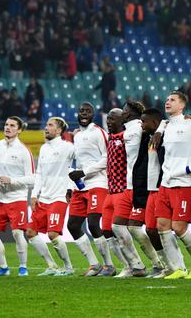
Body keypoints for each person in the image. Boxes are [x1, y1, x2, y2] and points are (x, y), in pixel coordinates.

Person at [156, 91, 191, 280]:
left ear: (182, 105)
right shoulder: (165, 126)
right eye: (167, 99)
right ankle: (178, 268)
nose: (168, 102)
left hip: (184, 183)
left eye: (173, 100)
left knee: (178, 227)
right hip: (166, 182)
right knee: (162, 226)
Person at [119, 101, 165, 276]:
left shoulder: (141, 128)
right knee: (125, 226)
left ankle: (162, 264)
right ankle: (140, 265)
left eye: (124, 110)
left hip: (147, 185)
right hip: (134, 184)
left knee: (147, 228)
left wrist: (160, 129)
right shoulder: (134, 131)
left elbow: (164, 122)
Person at [67, 102, 113, 276]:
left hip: (98, 184)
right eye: (82, 111)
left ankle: (109, 265)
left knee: (93, 223)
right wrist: (71, 186)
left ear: (93, 115)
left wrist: (84, 172)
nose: (84, 113)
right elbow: (78, 163)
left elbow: (107, 158)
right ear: (77, 114)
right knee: (72, 225)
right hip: (80, 187)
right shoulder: (77, 136)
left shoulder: (99, 132)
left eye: (88, 111)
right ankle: (94, 264)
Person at [0, 117, 35, 277]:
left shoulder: (23, 151)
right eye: (6, 124)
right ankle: (3, 267)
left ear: (19, 130)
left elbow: (32, 179)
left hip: (17, 198)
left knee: (17, 233)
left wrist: (11, 180)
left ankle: (23, 267)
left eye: (12, 125)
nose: (8, 127)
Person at [101, 108, 147, 278]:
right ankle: (127, 265)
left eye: (112, 119)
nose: (109, 122)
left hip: (123, 189)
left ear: (122, 121)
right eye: (108, 119)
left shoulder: (129, 136)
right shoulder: (111, 138)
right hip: (110, 190)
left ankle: (137, 264)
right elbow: (106, 160)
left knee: (120, 228)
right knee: (106, 230)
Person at [26, 117, 75, 276]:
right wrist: (34, 195)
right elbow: (39, 173)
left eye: (50, 125)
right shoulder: (44, 149)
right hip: (44, 198)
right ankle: (52, 265)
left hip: (59, 197)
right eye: (46, 125)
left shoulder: (67, 147)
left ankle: (68, 267)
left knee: (52, 234)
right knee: (31, 232)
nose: (46, 128)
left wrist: (71, 187)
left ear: (59, 130)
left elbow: (77, 163)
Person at [141, 108, 168, 278]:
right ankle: (166, 265)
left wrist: (161, 129)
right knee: (150, 230)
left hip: (162, 187)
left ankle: (188, 263)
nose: (142, 125)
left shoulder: (164, 136)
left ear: (154, 123)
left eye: (144, 122)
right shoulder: (150, 138)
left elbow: (171, 122)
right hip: (151, 189)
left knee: (166, 230)